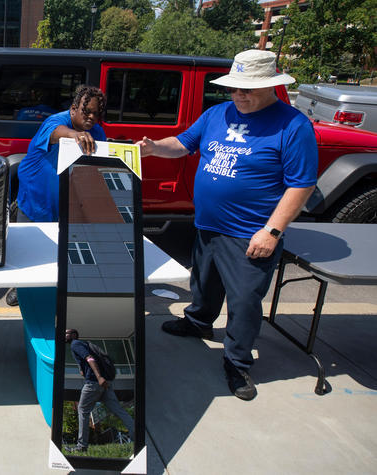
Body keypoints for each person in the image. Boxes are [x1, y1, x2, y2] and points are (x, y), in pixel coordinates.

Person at [138, 49, 318, 401]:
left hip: (251, 233)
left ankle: (237, 362)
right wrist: (154, 147)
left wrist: (272, 231)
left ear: (270, 86)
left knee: (244, 301)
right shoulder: (216, 113)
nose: (239, 95)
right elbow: (183, 144)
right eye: (235, 88)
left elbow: (301, 184)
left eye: (248, 89)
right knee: (203, 282)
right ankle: (197, 322)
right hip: (208, 224)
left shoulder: (293, 125)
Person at [5, 85, 106, 306]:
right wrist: (74, 135)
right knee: (27, 254)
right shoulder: (56, 121)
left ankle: (58, 289)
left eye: (96, 113)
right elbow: (55, 133)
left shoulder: (97, 132)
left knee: (57, 254)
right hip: (34, 200)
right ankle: (20, 288)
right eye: (86, 111)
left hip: (66, 202)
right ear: (73, 109)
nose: (91, 117)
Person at [65, 328, 134, 452]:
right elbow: (87, 361)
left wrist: (99, 377)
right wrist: (84, 370)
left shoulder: (75, 344)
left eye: (66, 333)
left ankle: (81, 446)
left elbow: (90, 358)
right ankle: (136, 434)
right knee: (118, 409)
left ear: (74, 335)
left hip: (94, 382)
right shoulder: (84, 344)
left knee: (82, 410)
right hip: (104, 383)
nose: (63, 335)